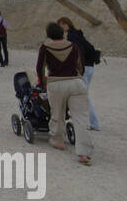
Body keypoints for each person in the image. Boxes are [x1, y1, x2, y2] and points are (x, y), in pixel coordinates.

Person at [36, 20, 92, 164]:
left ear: (48, 34)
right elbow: (81, 66)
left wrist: (43, 83)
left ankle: (57, 140)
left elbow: (40, 68)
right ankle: (84, 153)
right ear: (62, 33)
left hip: (56, 83)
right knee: (81, 118)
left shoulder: (45, 47)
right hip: (76, 83)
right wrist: (77, 76)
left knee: (57, 114)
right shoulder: (74, 46)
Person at [57, 16, 100, 131]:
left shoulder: (72, 36)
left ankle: (94, 123)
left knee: (83, 95)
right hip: (89, 66)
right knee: (80, 94)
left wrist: (76, 66)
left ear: (66, 24)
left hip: (84, 68)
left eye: (60, 25)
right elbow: (88, 48)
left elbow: (78, 51)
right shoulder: (78, 34)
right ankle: (83, 118)